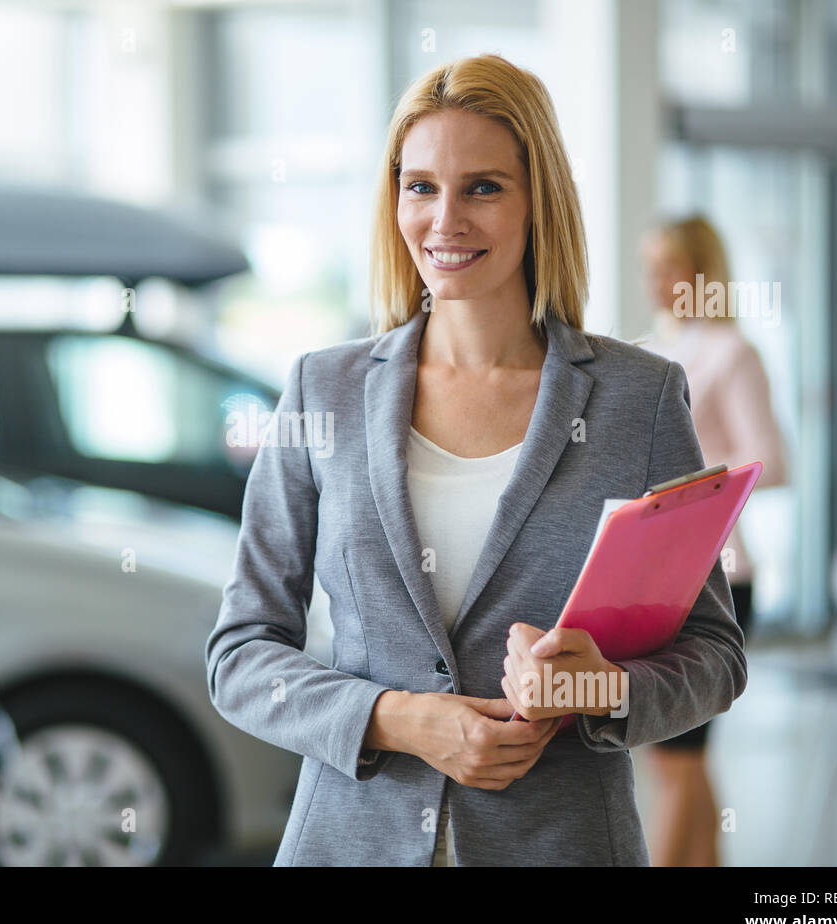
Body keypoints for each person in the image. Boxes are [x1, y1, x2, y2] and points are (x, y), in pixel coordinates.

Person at [205, 54, 747, 866]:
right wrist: (396, 717)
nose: (445, 220)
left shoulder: (638, 398)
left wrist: (601, 688)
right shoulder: (325, 389)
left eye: (483, 187)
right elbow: (241, 653)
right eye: (420, 186)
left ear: (539, 203)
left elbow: (715, 654)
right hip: (348, 844)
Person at [639, 215, 787, 866]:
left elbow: (773, 462)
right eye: (650, 268)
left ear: (702, 273)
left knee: (677, 761)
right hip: (657, 577)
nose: (657, 282)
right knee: (680, 760)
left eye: (669, 267)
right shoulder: (649, 348)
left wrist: (690, 482)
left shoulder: (733, 352)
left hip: (722, 578)